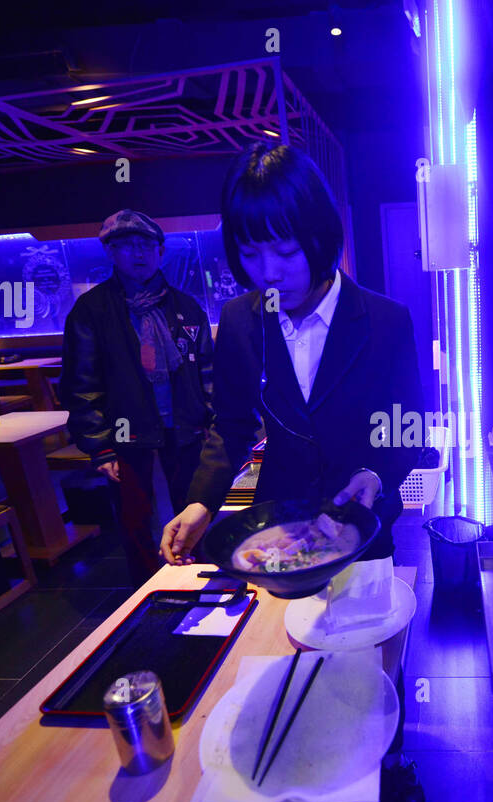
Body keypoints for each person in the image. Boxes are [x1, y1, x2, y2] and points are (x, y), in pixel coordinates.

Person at [160, 143, 425, 565]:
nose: (268, 273)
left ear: (320, 236)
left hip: (362, 530)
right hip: (275, 533)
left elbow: (406, 429)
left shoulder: (386, 320)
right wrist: (202, 502)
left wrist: (375, 475)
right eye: (250, 254)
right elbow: (231, 425)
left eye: (285, 251)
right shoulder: (240, 320)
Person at [59, 210, 216, 585]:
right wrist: (99, 446)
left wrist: (212, 420)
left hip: (185, 427)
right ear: (111, 253)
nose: (138, 253)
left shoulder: (185, 306)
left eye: (146, 245)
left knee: (194, 507)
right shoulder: (92, 310)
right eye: (126, 246)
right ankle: (148, 589)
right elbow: (80, 383)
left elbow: (207, 371)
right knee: (135, 518)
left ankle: (201, 578)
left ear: (161, 251)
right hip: (125, 433)